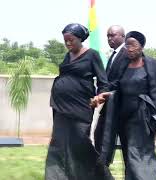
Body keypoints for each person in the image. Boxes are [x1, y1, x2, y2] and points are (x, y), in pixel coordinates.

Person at [96, 31, 156, 180]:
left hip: (143, 117)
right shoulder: (123, 65)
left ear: (141, 47)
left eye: (133, 45)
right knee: (128, 155)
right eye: (127, 45)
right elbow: (115, 87)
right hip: (124, 117)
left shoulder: (152, 64)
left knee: (139, 153)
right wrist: (102, 96)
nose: (129, 48)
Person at [45, 23, 113, 180]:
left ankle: (99, 177)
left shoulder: (92, 55)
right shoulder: (67, 56)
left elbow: (104, 83)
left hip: (81, 108)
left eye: (71, 40)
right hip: (60, 108)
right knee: (58, 144)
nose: (68, 43)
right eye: (65, 40)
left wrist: (99, 96)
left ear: (80, 39)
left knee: (81, 144)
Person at [94, 25, 129, 166]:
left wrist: (105, 93)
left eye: (113, 35)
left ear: (123, 36)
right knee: (101, 142)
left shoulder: (127, 54)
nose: (109, 38)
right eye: (108, 36)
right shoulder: (113, 55)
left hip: (122, 108)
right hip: (109, 107)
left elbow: (122, 80)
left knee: (127, 148)